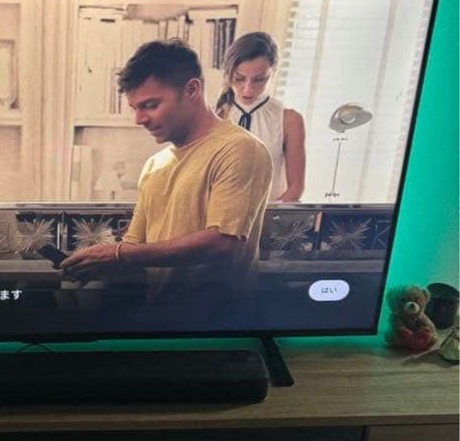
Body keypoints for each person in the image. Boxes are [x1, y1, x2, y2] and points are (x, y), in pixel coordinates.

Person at [60, 40, 273, 304]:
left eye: (150, 105)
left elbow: (224, 244)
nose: (139, 119)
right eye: (135, 108)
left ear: (192, 90)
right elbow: (135, 248)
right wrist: (93, 264)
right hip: (158, 315)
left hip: (219, 320)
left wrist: (118, 255)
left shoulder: (240, 149)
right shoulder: (154, 165)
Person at [215, 31, 305, 202]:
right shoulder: (216, 116)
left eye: (259, 80)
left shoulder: (289, 121)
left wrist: (267, 215)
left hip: (269, 214)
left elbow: (295, 188)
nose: (247, 89)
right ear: (228, 73)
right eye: (239, 78)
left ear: (273, 72)